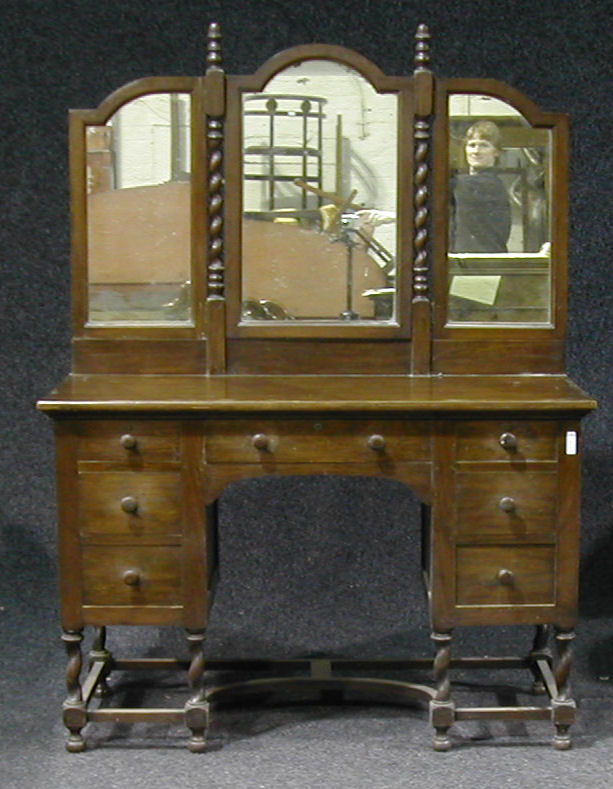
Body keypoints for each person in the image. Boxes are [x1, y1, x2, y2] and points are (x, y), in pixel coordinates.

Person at [450, 120, 511, 253]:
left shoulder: (490, 184)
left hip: (483, 265)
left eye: (484, 146)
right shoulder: (462, 184)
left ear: (496, 152)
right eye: (472, 145)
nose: (476, 151)